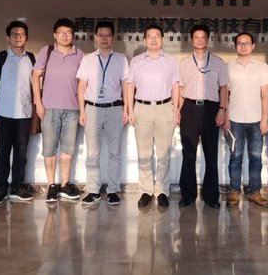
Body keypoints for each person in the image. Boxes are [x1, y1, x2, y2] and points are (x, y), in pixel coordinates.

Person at [126, 24, 180, 208]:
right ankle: (145, 191)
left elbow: (175, 86)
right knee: (144, 154)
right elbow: (130, 86)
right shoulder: (136, 61)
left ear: (162, 39)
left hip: (165, 107)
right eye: (150, 36)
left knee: (163, 153)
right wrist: (130, 109)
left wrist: (176, 109)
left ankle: (162, 191)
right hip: (142, 108)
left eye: (157, 36)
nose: (154, 39)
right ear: (144, 40)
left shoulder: (171, 61)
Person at [32, 18, 84, 204]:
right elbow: (35, 76)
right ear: (54, 34)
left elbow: (84, 83)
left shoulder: (80, 55)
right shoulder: (46, 52)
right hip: (49, 108)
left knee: (68, 150)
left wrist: (82, 109)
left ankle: (64, 184)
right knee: (49, 149)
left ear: (73, 35)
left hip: (72, 109)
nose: (65, 35)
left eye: (68, 32)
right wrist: (38, 103)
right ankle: (52, 185)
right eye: (61, 32)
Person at [77, 21, 129, 206]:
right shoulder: (88, 59)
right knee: (92, 153)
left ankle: (113, 190)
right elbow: (81, 86)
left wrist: (126, 108)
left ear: (113, 38)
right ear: (96, 37)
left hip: (115, 108)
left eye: (108, 35)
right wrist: (82, 111)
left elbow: (125, 85)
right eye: (101, 35)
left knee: (115, 152)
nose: (104, 39)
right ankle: (93, 190)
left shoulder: (121, 59)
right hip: (92, 108)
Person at [178, 24, 228, 209]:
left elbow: (224, 88)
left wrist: (222, 110)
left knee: (211, 154)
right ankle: (188, 195)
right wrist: (179, 111)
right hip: (190, 109)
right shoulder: (184, 63)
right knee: (188, 153)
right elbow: (181, 88)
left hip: (211, 109)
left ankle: (211, 196)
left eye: (203, 37)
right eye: (196, 37)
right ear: (192, 39)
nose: (200, 40)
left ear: (208, 39)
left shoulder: (218, 62)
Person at [0, 20, 36, 205]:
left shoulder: (32, 59)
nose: (18, 37)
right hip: (3, 114)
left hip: (24, 114)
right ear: (8, 38)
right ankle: (1, 188)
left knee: (21, 155)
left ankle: (17, 187)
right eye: (15, 34)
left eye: (22, 34)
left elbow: (36, 87)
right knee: (3, 153)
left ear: (27, 38)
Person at [225, 32, 268, 207]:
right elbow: (225, 95)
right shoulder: (228, 67)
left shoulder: (262, 67)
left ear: (253, 46)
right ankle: (234, 191)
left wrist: (265, 119)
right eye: (240, 43)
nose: (243, 46)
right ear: (235, 46)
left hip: (256, 119)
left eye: (247, 43)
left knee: (256, 158)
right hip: (234, 119)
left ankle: (254, 192)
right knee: (235, 157)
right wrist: (226, 118)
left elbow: (265, 95)